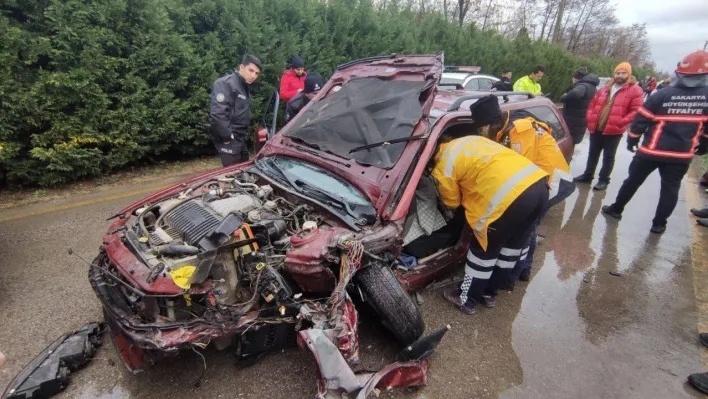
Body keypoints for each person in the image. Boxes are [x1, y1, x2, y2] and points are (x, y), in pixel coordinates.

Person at [434, 97, 549, 315]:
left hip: (510, 199)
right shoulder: (476, 142)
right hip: (539, 186)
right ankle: (490, 293)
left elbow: (451, 201)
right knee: (511, 247)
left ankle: (466, 298)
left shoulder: (444, 161)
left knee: (483, 250)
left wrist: (456, 209)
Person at [600, 50, 708, 234]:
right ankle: (659, 224)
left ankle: (616, 209)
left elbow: (641, 121)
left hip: (651, 151)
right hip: (681, 154)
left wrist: (632, 140)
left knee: (632, 181)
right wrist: (703, 146)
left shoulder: (663, 95)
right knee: (670, 189)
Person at [473, 95, 574, 284]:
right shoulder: (503, 128)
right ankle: (518, 270)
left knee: (526, 230)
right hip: (538, 181)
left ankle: (518, 273)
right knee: (525, 229)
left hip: (550, 182)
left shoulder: (520, 131)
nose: (481, 132)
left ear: (491, 123)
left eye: (482, 128)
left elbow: (519, 171)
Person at [573, 61, 644, 191]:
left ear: (629, 74)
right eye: (618, 73)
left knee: (608, 156)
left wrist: (621, 122)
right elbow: (592, 105)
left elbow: (636, 111)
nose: (620, 75)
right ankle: (588, 175)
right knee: (592, 153)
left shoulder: (635, 90)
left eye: (623, 73)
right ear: (614, 74)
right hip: (597, 127)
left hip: (614, 130)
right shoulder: (605, 88)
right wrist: (590, 118)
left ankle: (603, 180)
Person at [208, 54, 262, 167]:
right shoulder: (226, 83)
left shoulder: (243, 86)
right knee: (231, 175)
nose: (253, 76)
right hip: (229, 138)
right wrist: (227, 137)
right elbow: (218, 114)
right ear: (242, 67)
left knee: (244, 168)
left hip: (239, 138)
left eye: (256, 73)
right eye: (251, 70)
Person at [560, 67, 600, 146]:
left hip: (573, 122)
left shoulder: (582, 86)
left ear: (575, 78)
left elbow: (575, 94)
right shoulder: (592, 87)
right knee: (572, 144)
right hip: (581, 121)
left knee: (567, 144)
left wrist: (564, 96)